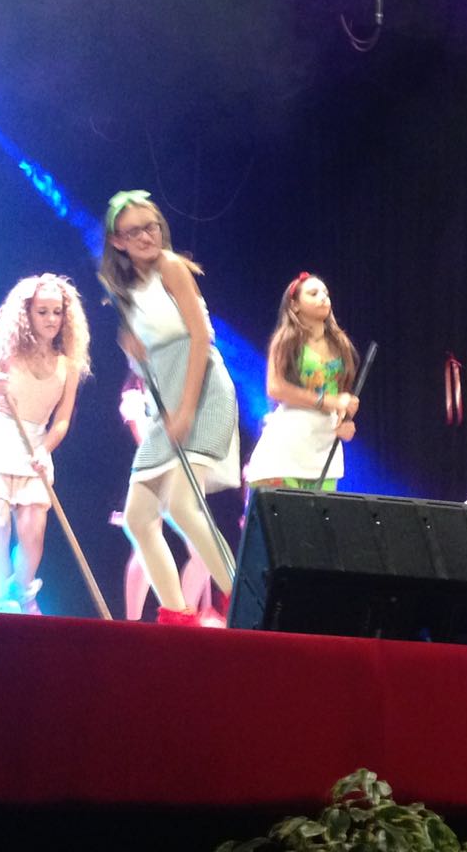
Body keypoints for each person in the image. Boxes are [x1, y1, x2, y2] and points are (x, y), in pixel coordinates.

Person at [97, 189, 238, 626]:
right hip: (164, 406)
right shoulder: (126, 293)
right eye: (134, 231)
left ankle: (247, 600)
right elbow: (149, 365)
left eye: (151, 227)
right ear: (117, 241)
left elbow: (200, 337)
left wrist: (187, 410)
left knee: (181, 505)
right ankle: (178, 617)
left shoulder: (172, 268)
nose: (146, 237)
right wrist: (134, 353)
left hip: (202, 393)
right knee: (138, 518)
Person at [0, 273, 90, 614]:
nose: (51, 319)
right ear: (27, 314)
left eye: (57, 312)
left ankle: (23, 591)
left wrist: (45, 449)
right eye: (43, 312)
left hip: (36, 450)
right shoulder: (6, 353)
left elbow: (62, 420)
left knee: (32, 537)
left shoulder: (68, 365)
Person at [113, 373, 215, 623]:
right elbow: (143, 439)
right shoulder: (136, 393)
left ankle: (184, 617)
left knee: (203, 552)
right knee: (144, 551)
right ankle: (133, 623)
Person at [245, 272, 359, 490]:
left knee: (320, 511)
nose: (323, 297)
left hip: (324, 447)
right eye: (313, 293)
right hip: (289, 445)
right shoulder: (287, 340)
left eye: (325, 293)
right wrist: (328, 401)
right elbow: (275, 387)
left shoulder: (340, 344)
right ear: (295, 305)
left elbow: (339, 395)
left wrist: (345, 420)